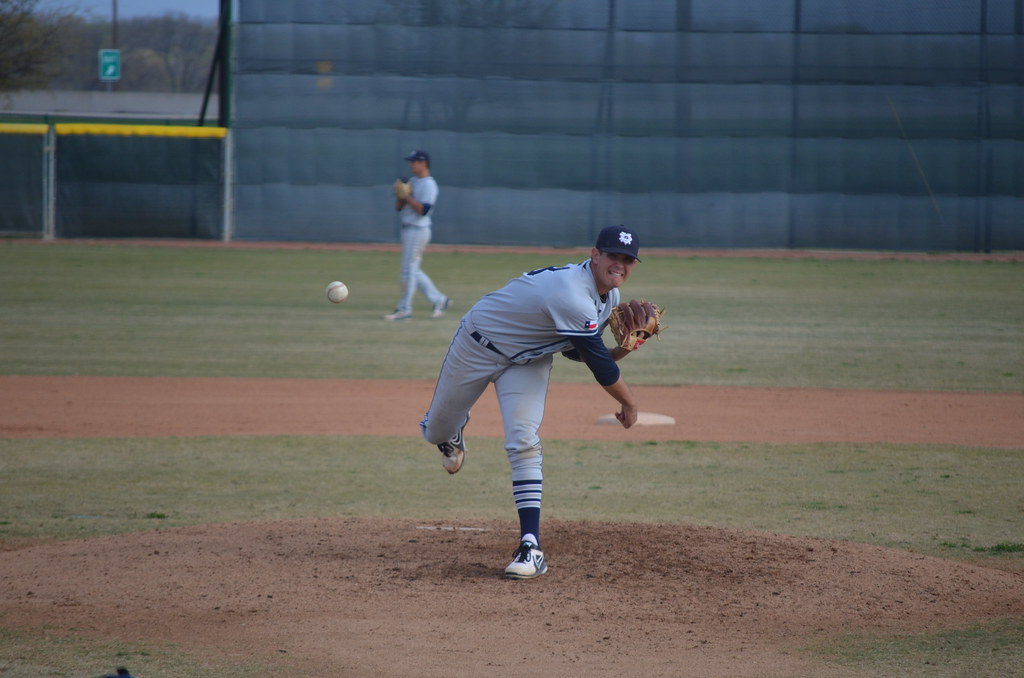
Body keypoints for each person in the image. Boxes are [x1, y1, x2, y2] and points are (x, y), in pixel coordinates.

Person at [420, 225, 644, 579]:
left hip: (528, 362)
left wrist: (622, 350)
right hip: (477, 346)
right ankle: (452, 431)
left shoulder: (608, 299)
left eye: (628, 259)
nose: (620, 264)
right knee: (435, 431)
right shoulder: (572, 292)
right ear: (595, 255)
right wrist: (630, 403)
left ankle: (530, 546)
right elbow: (598, 365)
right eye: (613, 255)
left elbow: (575, 351)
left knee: (524, 440)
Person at [385, 150, 450, 321]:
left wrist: (407, 196)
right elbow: (398, 207)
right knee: (413, 271)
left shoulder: (429, 184)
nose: (411, 164)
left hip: (418, 229)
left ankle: (405, 309)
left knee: (408, 271)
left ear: (423, 163)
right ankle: (440, 300)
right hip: (407, 229)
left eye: (414, 161)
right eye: (411, 162)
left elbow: (423, 211)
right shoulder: (412, 182)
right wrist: (400, 195)